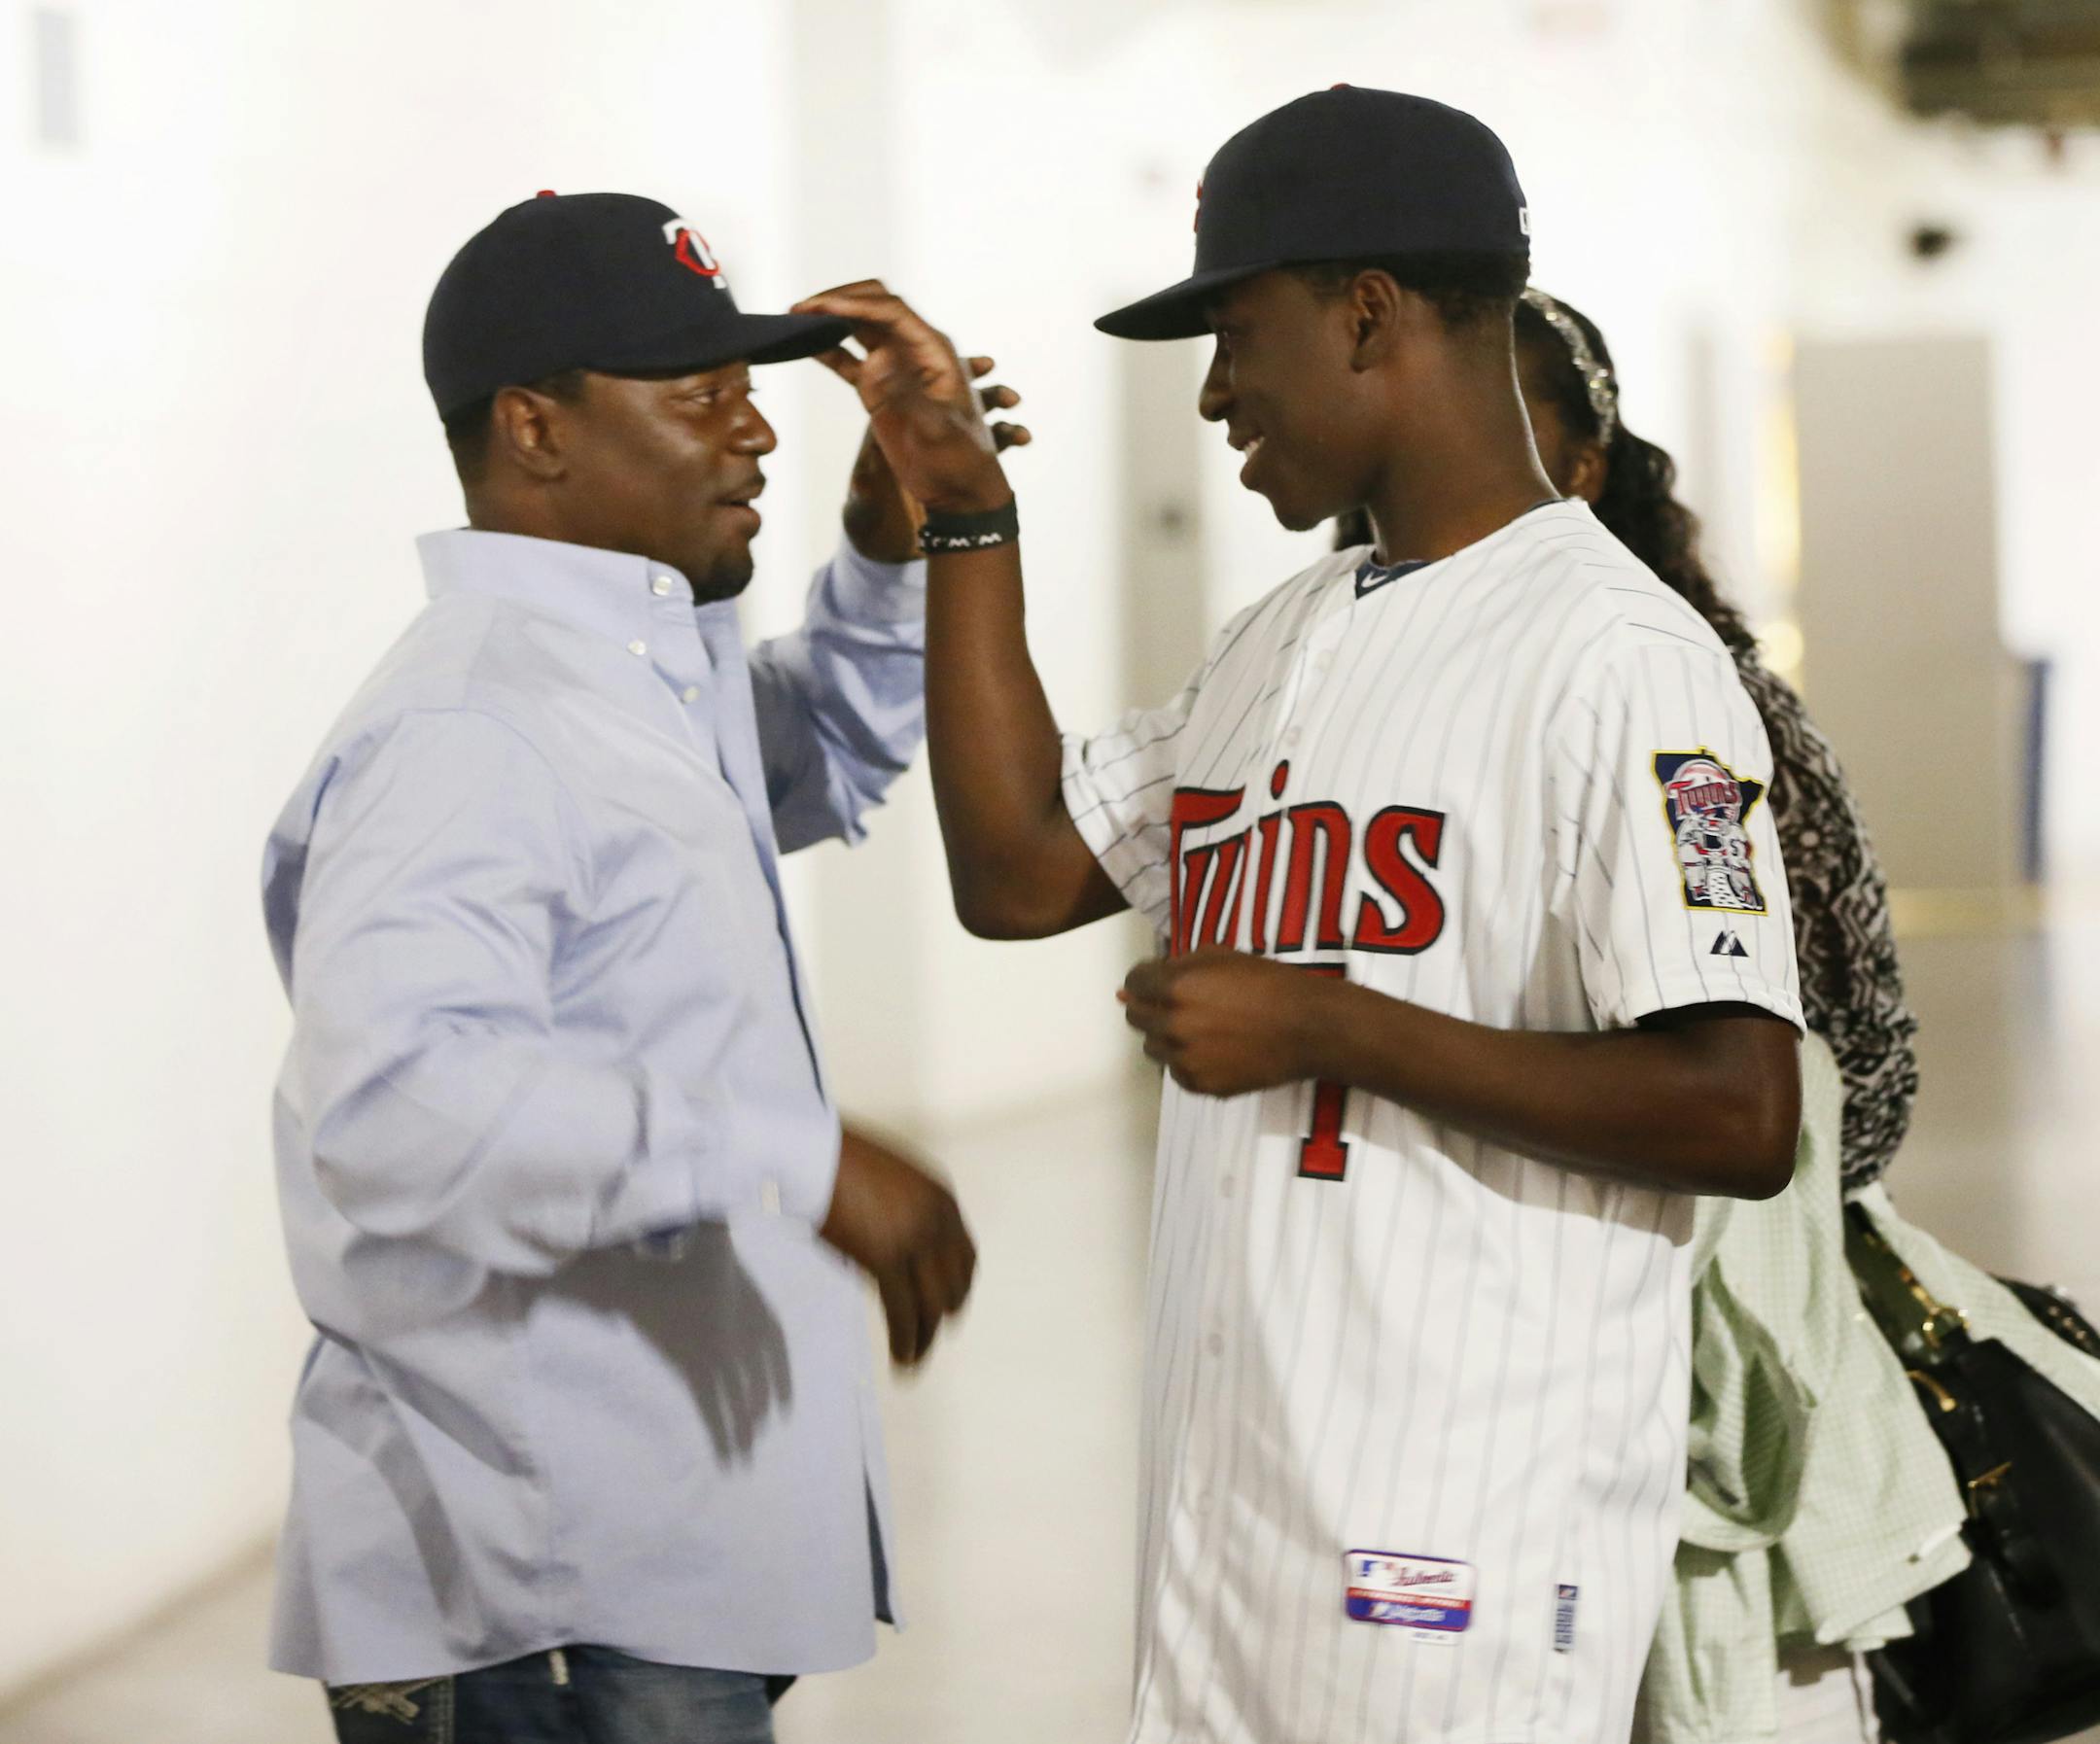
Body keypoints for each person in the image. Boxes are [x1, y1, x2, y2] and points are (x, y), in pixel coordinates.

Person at [797, 88, 1804, 1744]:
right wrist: (965, 506)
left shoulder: (1618, 658)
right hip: (1241, 1513)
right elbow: (1023, 868)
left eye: (1233, 330)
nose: (1211, 390)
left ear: (1366, 311)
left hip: (1463, 1549)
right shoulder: (1288, 630)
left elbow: (1739, 1105)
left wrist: (1335, 1022)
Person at [262, 191, 995, 1743]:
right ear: (535, 428)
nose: (760, 437)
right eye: (700, 395)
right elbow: (400, 1101)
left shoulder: (627, 676)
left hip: (644, 1564)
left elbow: (830, 749)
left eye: (750, 389)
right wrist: (794, 1154)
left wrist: (882, 549)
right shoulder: (469, 724)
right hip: (535, 1602)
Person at [1492, 289, 1921, 1740]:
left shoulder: (1693, 700)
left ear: (1590, 467)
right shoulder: (1365, 698)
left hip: (1698, 1351)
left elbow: (1849, 1064)